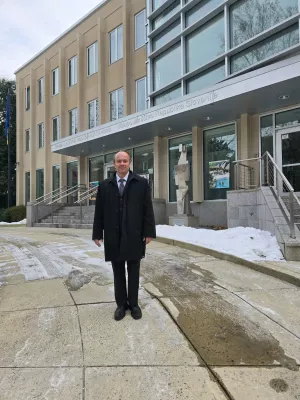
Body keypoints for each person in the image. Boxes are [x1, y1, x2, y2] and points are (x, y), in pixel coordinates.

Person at [92, 150, 156, 321]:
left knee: (134, 270)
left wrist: (149, 231)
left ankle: (134, 304)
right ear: (114, 164)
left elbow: (147, 210)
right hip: (113, 235)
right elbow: (99, 212)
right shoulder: (105, 185)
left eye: (125, 161)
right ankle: (121, 305)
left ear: (129, 163)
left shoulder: (141, 183)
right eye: (119, 161)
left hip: (134, 234)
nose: (122, 164)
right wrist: (97, 233)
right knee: (118, 271)